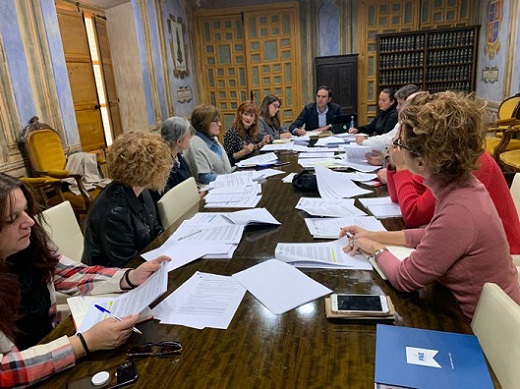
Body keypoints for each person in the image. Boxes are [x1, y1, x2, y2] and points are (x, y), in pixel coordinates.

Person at [340, 91, 520, 320]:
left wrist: (373, 248)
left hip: (483, 330)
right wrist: (374, 235)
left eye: (400, 143)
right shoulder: (463, 184)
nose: (396, 147)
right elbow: (431, 234)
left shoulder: (459, 210)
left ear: (421, 161)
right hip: (485, 310)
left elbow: (405, 279)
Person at [0, 173, 170, 387]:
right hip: (33, 368)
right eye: (11, 219)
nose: (30, 221)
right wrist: (84, 343)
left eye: (26, 210)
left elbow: (70, 273)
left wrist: (128, 277)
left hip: (52, 348)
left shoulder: (28, 245)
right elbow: (5, 370)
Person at [386, 147, 520, 254]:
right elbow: (397, 198)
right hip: (467, 245)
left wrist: (402, 168)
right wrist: (395, 164)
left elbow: (413, 214)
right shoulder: (439, 155)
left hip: (500, 255)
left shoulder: (461, 164)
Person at [83, 132, 172, 268]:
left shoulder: (141, 191)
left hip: (139, 264)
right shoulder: (114, 212)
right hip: (111, 279)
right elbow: (127, 264)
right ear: (149, 170)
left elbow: (155, 230)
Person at [184, 104, 232, 184]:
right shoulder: (196, 144)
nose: (219, 124)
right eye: (216, 121)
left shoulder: (213, 139)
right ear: (205, 123)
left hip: (225, 184)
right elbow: (205, 177)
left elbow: (226, 169)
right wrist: (229, 178)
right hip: (209, 190)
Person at [151, 116, 193, 202]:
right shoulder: (162, 165)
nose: (191, 139)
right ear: (179, 142)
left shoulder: (178, 156)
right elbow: (170, 198)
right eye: (188, 136)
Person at [224, 101, 270, 165]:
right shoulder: (232, 132)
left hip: (249, 163)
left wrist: (261, 144)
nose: (248, 118)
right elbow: (227, 158)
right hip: (236, 168)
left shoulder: (249, 130)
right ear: (240, 115)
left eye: (251, 116)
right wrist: (243, 152)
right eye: (246, 114)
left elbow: (250, 148)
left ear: (254, 120)